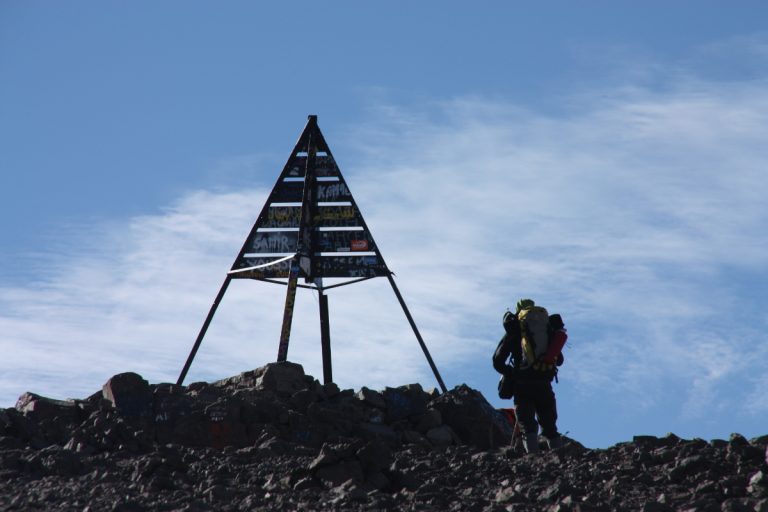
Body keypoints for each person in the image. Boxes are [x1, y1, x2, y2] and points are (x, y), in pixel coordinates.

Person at [493, 298, 567, 453]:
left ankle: (533, 460)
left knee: (527, 425)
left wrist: (510, 373)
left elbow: (497, 361)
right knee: (550, 427)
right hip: (544, 382)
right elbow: (559, 360)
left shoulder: (515, 330)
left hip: (523, 383)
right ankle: (562, 460)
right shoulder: (546, 330)